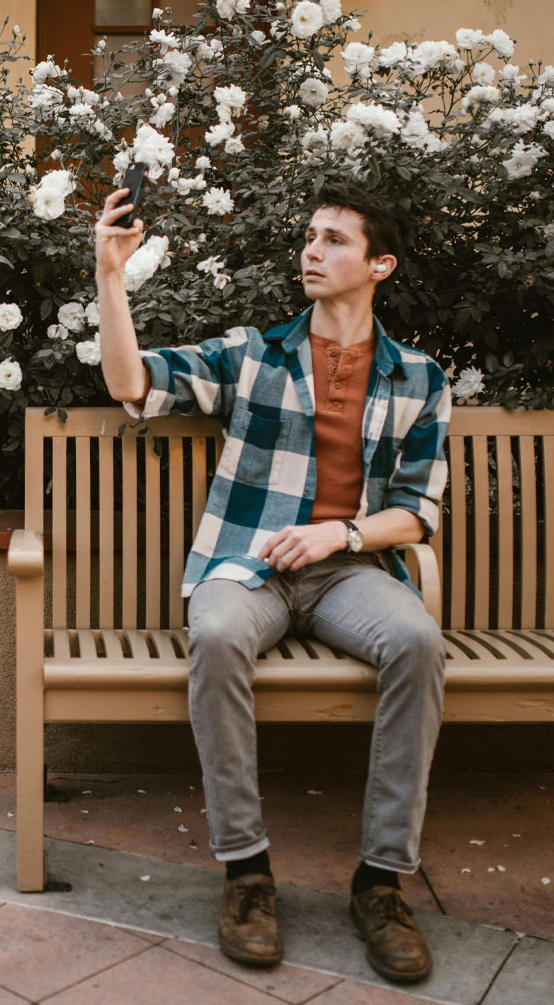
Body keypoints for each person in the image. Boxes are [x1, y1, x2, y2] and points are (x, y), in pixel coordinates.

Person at [95, 179, 451, 985]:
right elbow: (131, 385)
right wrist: (110, 276)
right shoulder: (256, 353)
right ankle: (247, 873)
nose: (312, 250)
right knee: (217, 635)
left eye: (334, 240)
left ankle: (381, 883)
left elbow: (417, 514)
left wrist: (344, 531)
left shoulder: (421, 379)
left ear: (379, 265)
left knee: (419, 641)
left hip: (350, 572)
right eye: (310, 235)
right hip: (248, 570)